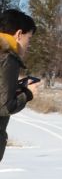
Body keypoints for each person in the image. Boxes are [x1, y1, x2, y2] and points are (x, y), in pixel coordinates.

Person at [0, 8, 40, 164]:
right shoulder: (8, 59)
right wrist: (28, 93)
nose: (28, 44)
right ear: (18, 34)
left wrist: (16, 87)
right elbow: (4, 106)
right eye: (29, 38)